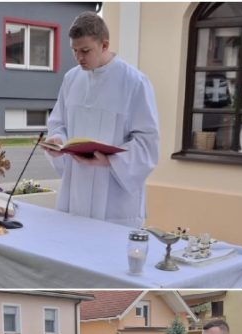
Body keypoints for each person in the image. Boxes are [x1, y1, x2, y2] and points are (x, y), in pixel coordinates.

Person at [44, 11, 160, 227]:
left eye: (85, 50)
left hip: (114, 199)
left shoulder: (134, 82)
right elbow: (58, 123)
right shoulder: (71, 79)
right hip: (75, 192)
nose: (79, 57)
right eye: (74, 50)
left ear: (104, 45)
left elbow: (147, 143)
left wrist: (110, 160)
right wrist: (58, 140)